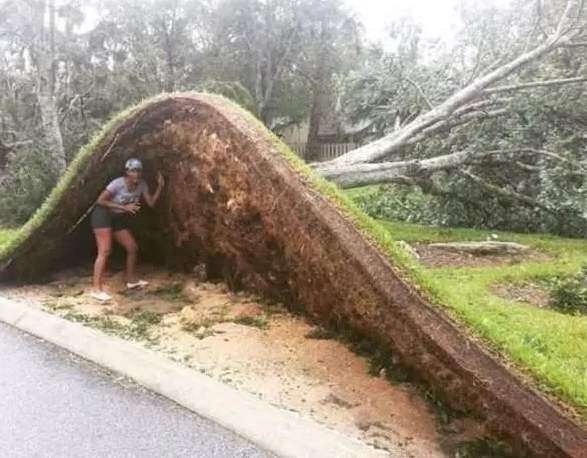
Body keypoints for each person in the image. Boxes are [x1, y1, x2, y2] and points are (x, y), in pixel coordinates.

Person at [89, 158, 165, 302]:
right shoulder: (118, 183)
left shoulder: (142, 185)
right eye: (133, 171)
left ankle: (131, 280)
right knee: (104, 251)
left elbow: (151, 203)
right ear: (127, 172)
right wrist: (124, 207)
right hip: (102, 215)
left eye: (139, 171)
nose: (136, 174)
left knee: (132, 247)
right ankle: (96, 289)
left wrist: (160, 186)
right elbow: (100, 201)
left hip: (117, 218)